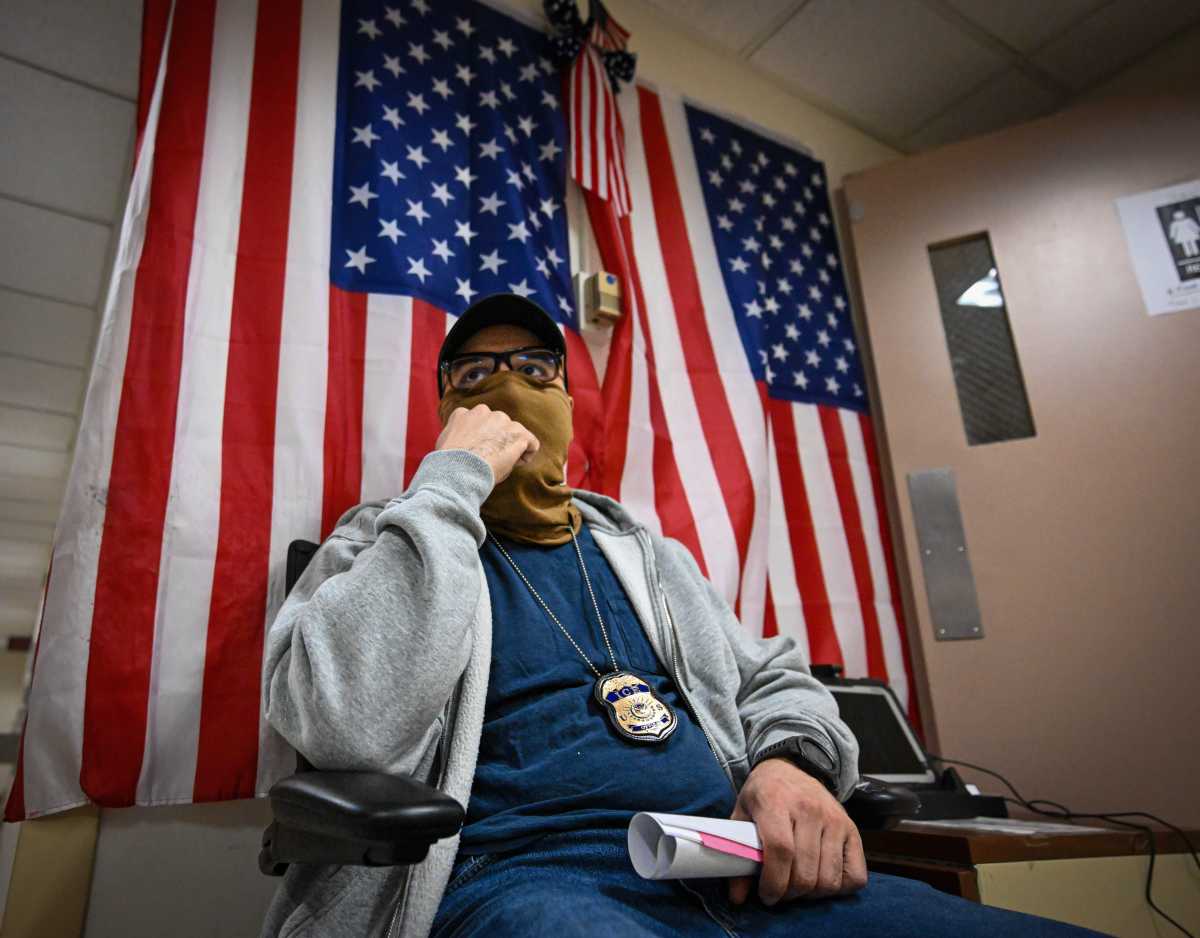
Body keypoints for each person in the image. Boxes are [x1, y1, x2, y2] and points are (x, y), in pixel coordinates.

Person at [260, 295, 1104, 938]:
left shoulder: (646, 556)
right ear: (448, 413)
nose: (509, 387)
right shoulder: (381, 541)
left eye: (536, 368)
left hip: (737, 869)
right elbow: (342, 724)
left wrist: (790, 765)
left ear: (568, 402)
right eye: (476, 376)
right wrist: (448, 486)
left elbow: (773, 677)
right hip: (524, 881)